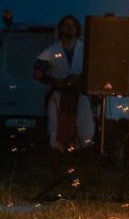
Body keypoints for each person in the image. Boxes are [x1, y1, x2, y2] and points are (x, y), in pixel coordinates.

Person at [34, 14, 95, 153]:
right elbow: (37, 74)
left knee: (85, 133)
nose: (70, 28)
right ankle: (57, 168)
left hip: (80, 96)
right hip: (59, 96)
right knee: (56, 134)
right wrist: (56, 81)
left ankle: (81, 165)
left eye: (73, 25)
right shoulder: (51, 51)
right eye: (66, 25)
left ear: (77, 29)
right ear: (61, 29)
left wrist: (80, 78)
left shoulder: (85, 50)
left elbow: (95, 70)